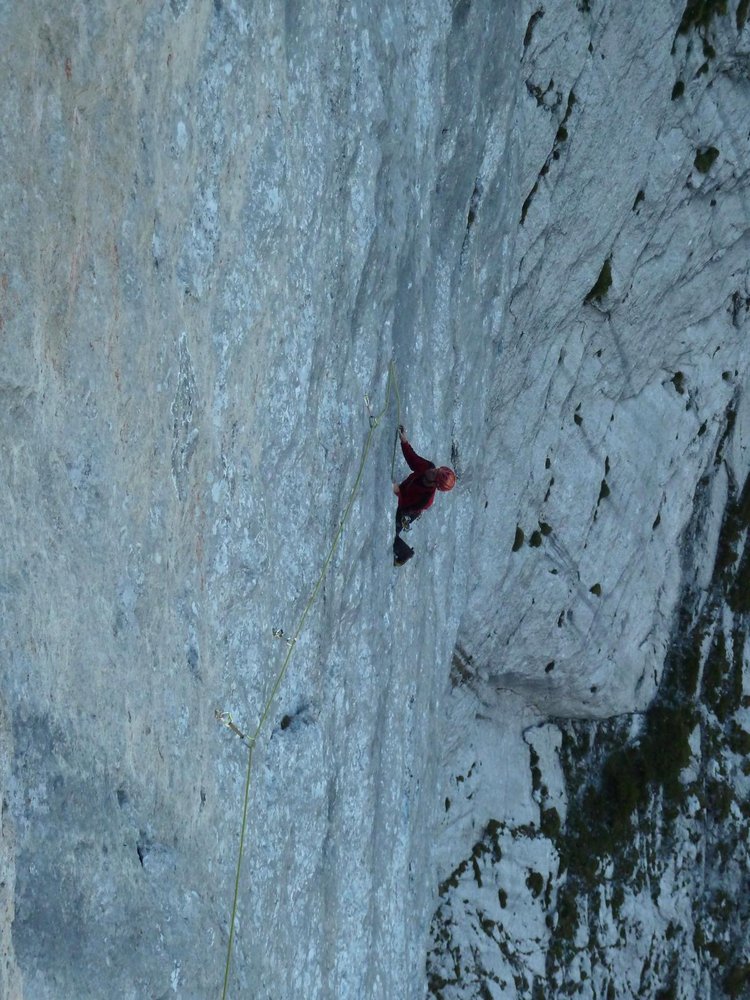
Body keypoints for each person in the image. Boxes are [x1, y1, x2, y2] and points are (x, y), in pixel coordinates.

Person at [392, 426, 456, 566]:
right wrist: (404, 441)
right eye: (436, 470)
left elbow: (405, 505)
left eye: (435, 474)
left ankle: (405, 553)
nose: (433, 470)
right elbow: (413, 460)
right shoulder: (428, 467)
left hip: (407, 512)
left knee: (391, 534)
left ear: (435, 484)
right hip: (403, 492)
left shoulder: (426, 499)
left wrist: (397, 492)